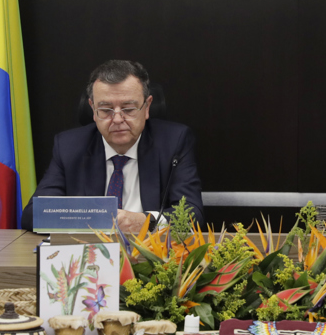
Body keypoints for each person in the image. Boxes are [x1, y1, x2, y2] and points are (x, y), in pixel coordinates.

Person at [21, 60, 204, 232]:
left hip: (151, 254)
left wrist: (146, 222)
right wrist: (97, 219)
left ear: (147, 107)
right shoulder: (69, 146)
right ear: (93, 109)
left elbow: (191, 215)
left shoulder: (173, 142)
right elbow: (33, 215)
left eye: (129, 109)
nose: (117, 119)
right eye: (106, 109)